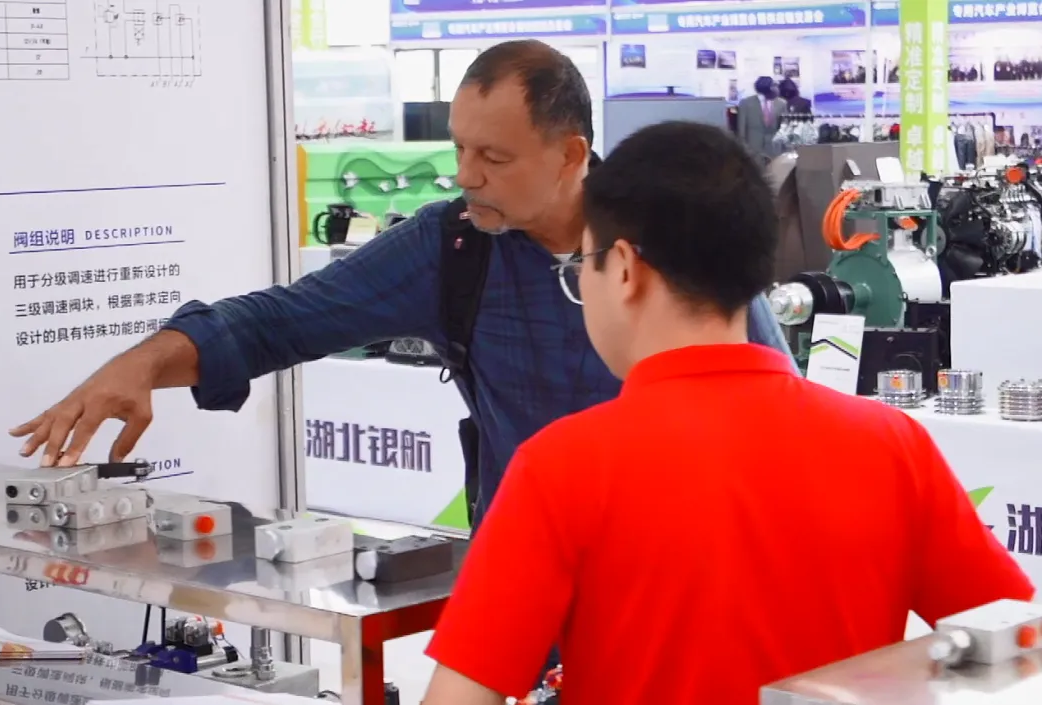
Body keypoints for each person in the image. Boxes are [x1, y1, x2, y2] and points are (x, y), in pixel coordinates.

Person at [9, 40, 790, 533]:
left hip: (685, 586)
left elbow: (776, 411)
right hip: (531, 594)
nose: (466, 175)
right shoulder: (454, 248)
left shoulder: (680, 232)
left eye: (494, 157)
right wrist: (146, 361)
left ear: (570, 155)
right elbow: (281, 320)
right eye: (459, 149)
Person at [419, 121, 1034, 705]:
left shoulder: (560, 469)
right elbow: (1018, 646)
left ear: (625, 268)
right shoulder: (892, 445)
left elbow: (462, 693)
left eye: (583, 265)